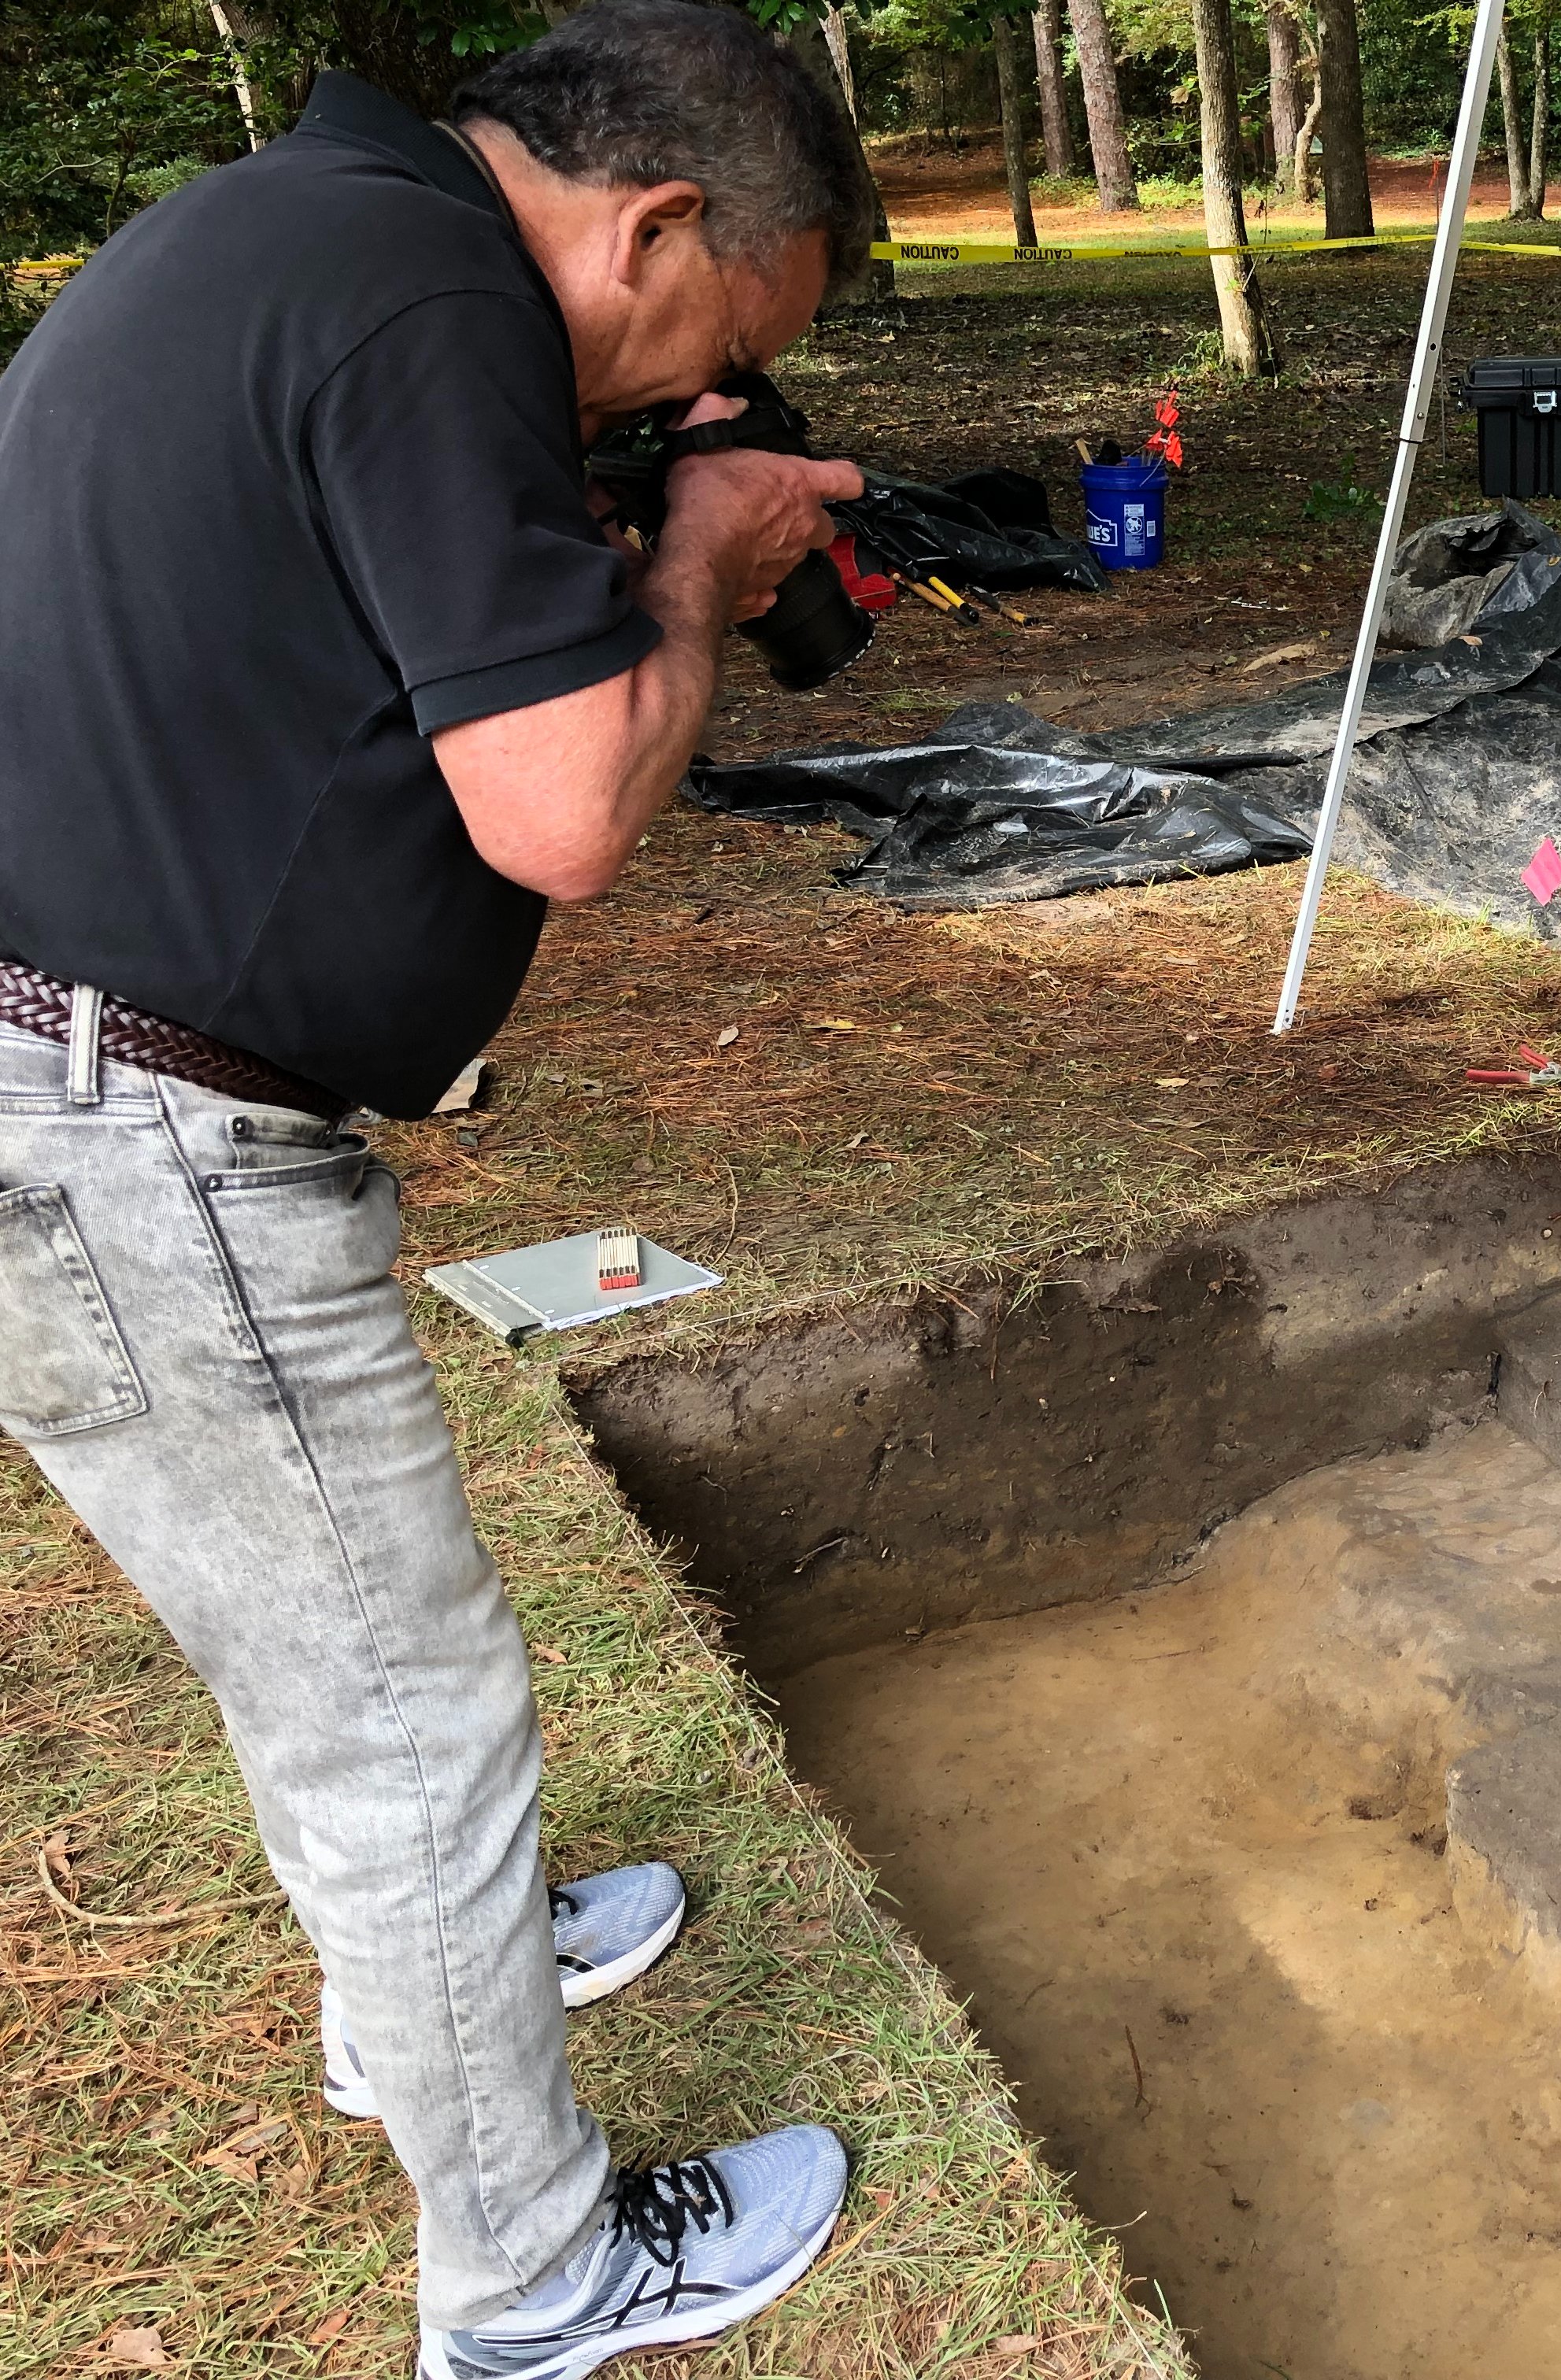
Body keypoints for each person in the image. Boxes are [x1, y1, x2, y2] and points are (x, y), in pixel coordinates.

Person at [0, 8, 875, 2374]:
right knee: (407, 1724)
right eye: (724, 344)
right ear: (657, 227)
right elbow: (566, 812)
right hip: (133, 1133)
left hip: (71, 1097)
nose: (696, 398)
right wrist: (698, 552)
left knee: (322, 1677)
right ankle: (534, 2285)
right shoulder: (429, 306)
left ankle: (426, 2022)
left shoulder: (294, 237)